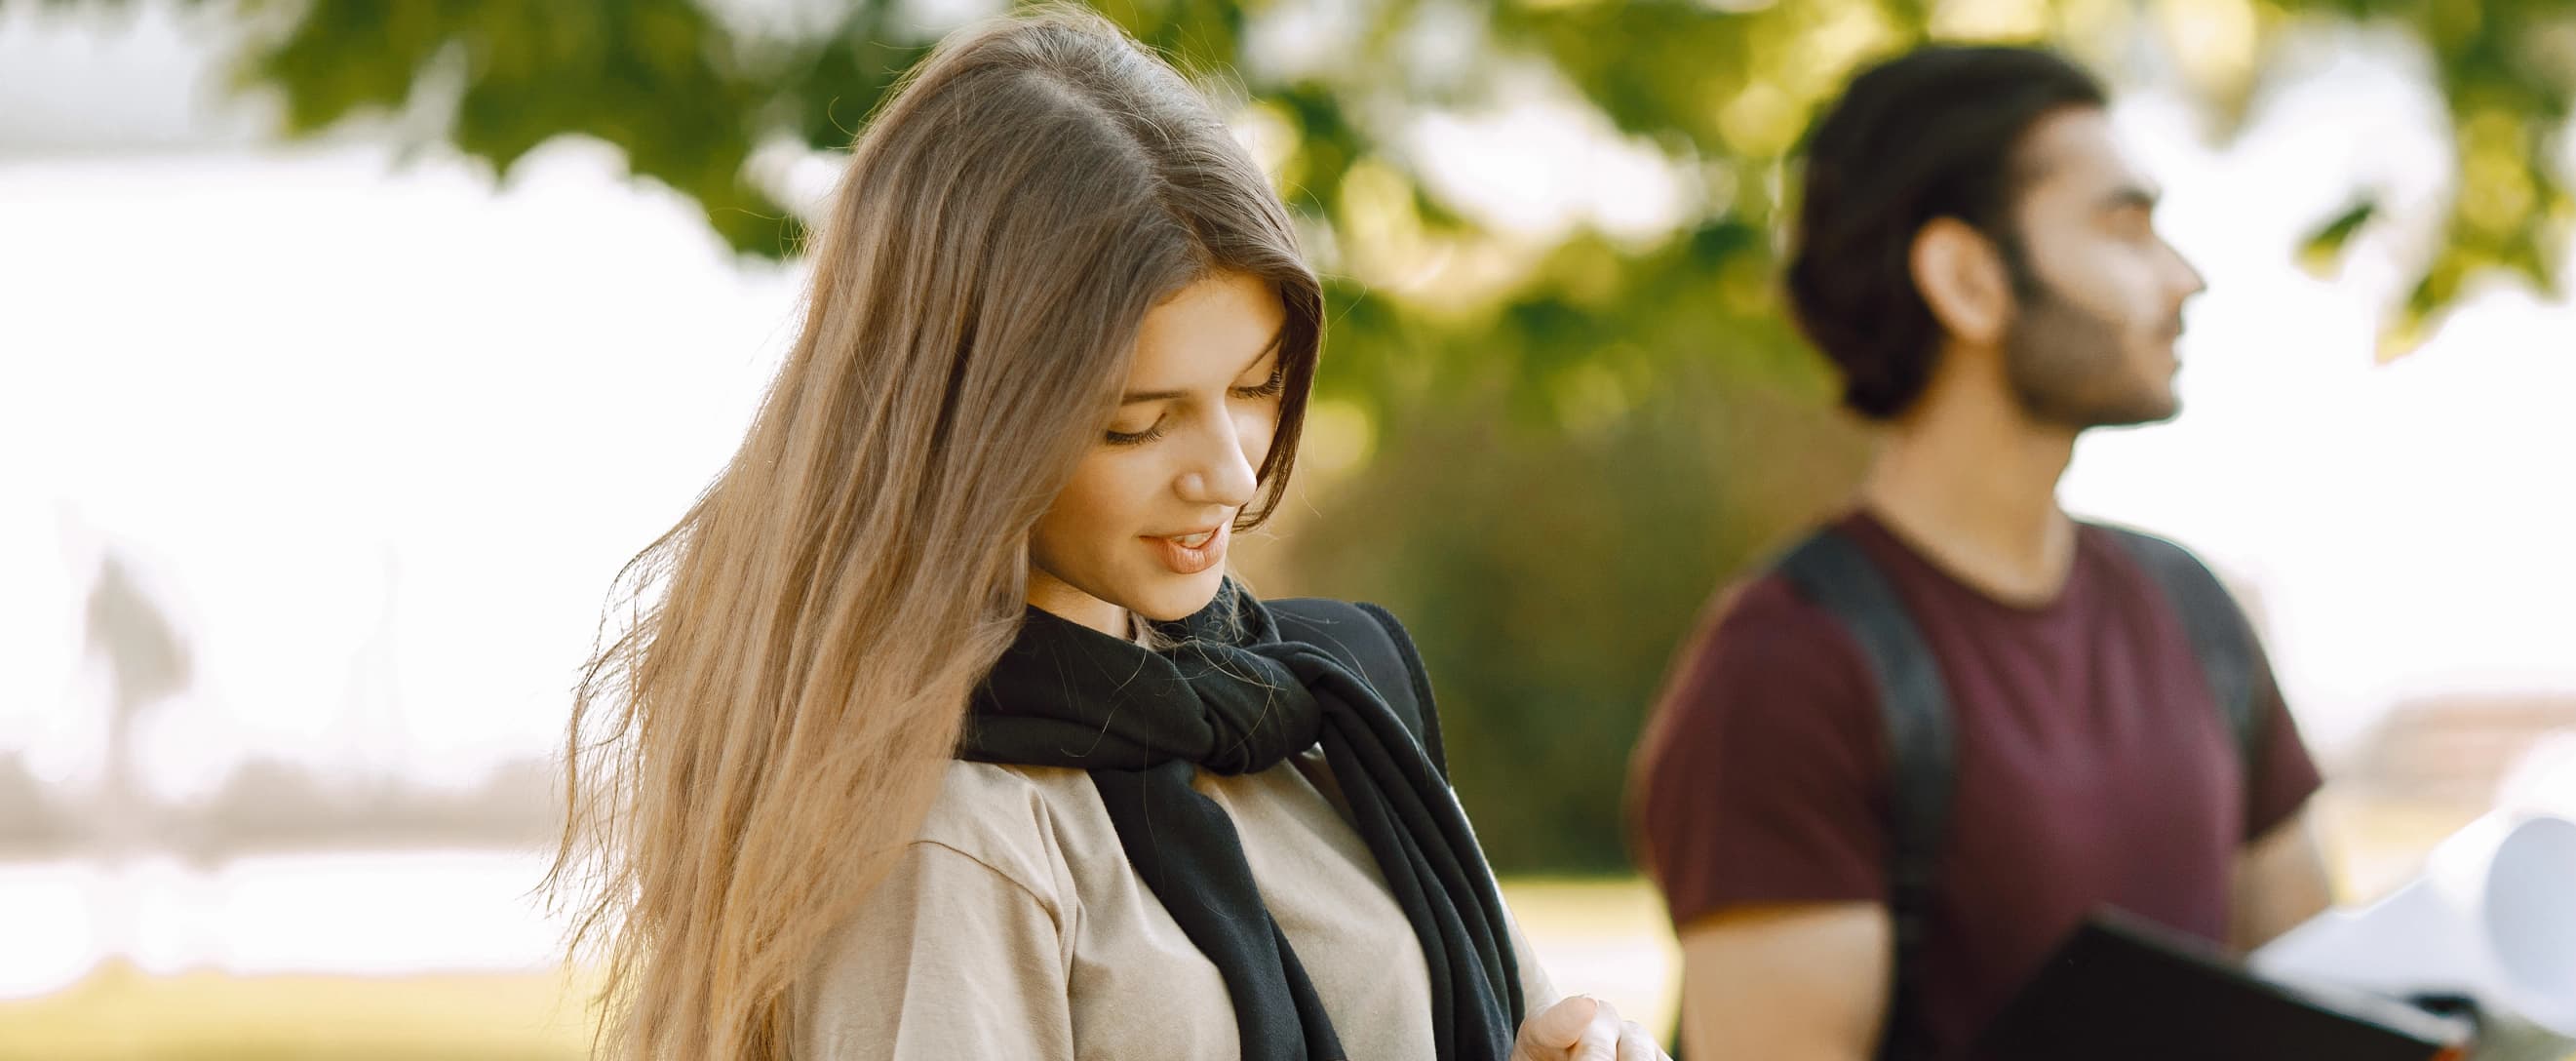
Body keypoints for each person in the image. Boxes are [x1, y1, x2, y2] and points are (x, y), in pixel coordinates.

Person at [545, 11, 1663, 1059]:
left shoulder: (1325, 716)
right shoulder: (946, 835)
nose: (1229, 471)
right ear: (966, 426)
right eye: (1138, 422)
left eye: (1258, 386)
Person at [1627, 45, 2332, 1061]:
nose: (2186, 277)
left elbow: (2320, 999)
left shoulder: (2195, 611)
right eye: (2125, 226)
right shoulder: (1787, 669)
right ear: (1966, 278)